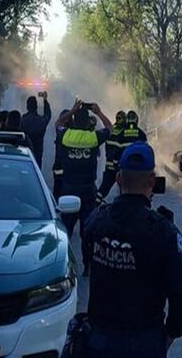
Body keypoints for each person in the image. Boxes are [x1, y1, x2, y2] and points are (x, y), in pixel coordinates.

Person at [81, 141, 182, 358]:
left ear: (119, 179)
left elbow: (86, 245)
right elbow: (180, 292)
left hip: (99, 342)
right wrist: (171, 334)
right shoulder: (163, 231)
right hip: (145, 346)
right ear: (152, 182)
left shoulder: (98, 221)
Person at [56, 100, 113, 272]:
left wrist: (72, 110)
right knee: (87, 231)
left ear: (73, 121)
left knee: (65, 230)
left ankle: (63, 265)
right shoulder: (93, 138)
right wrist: (99, 112)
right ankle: (87, 265)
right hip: (88, 191)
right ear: (88, 122)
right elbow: (110, 128)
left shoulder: (66, 135)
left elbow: (57, 123)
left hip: (68, 190)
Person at [99, 111, 146, 203]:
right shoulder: (141, 134)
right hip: (133, 169)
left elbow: (115, 151)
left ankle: (95, 204)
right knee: (129, 191)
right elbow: (145, 153)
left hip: (113, 166)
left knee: (103, 190)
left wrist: (116, 164)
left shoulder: (115, 131)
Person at [96, 111, 126, 202]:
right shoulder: (123, 132)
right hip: (118, 166)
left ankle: (95, 204)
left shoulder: (111, 129)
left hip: (109, 165)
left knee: (103, 189)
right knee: (124, 190)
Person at [20, 94, 52, 169]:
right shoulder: (41, 121)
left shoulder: (22, 121)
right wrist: (45, 100)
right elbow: (48, 114)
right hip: (37, 156)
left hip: (24, 154)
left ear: (27, 107)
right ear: (36, 107)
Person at [51, 108, 71, 198]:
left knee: (57, 194)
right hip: (68, 171)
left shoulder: (61, 131)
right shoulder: (73, 133)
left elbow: (57, 123)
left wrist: (72, 111)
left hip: (59, 170)